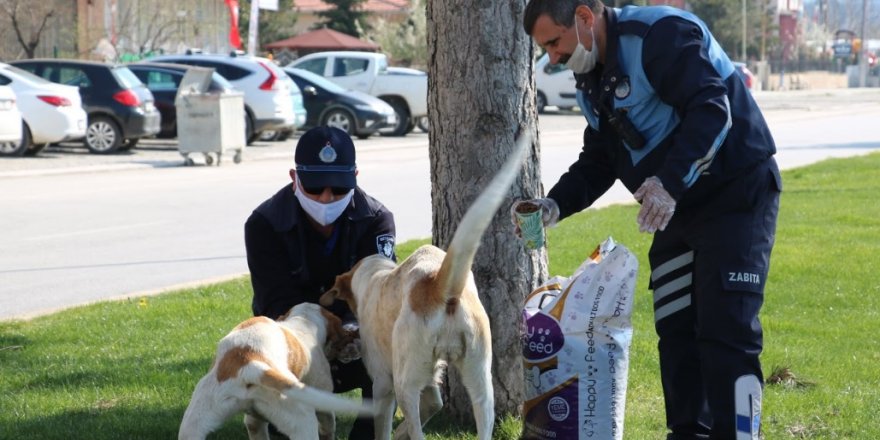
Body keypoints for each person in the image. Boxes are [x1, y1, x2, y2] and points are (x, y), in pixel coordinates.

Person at [518, 2, 781, 439]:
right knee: (676, 331)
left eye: (553, 42)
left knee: (725, 333)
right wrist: (554, 205)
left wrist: (668, 185)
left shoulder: (658, 36)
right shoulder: (591, 79)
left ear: (585, 17)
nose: (552, 58)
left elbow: (712, 108)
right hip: (675, 209)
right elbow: (600, 158)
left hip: (736, 195)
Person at [244, 126, 396, 440]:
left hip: (357, 339)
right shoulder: (263, 224)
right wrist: (325, 332)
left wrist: (352, 332)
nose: (326, 198)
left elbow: (379, 297)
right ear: (294, 177)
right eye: (314, 188)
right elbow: (275, 301)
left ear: (355, 175)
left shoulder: (376, 219)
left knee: (390, 345)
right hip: (292, 339)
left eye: (339, 189)